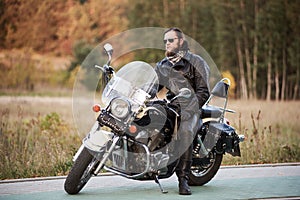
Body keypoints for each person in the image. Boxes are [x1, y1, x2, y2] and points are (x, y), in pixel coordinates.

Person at [155, 27, 210, 195]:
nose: (167, 44)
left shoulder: (196, 62)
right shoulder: (163, 64)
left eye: (170, 40)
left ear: (180, 41)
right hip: (171, 105)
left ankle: (183, 179)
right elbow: (154, 87)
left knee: (185, 132)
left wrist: (190, 110)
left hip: (191, 107)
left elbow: (203, 91)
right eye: (165, 41)